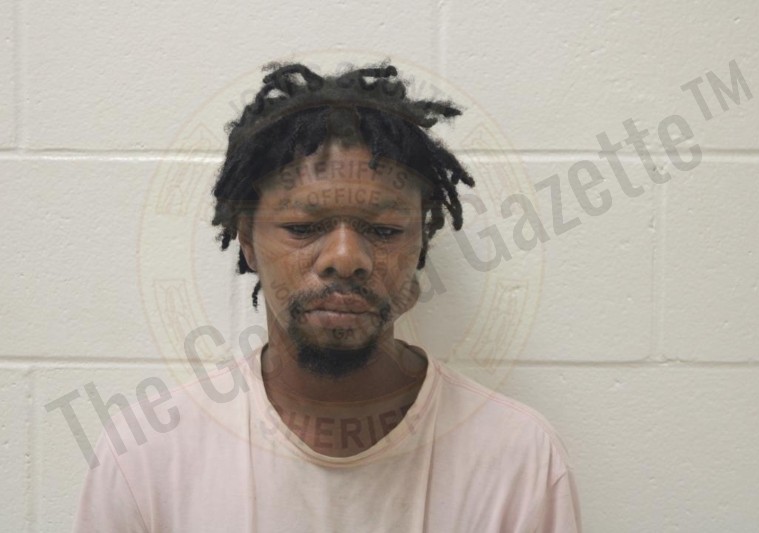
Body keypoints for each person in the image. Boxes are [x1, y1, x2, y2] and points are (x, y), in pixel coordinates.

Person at [73, 62, 581, 532]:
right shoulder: (147, 457)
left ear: (420, 244)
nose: (345, 257)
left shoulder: (518, 458)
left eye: (383, 230)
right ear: (247, 240)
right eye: (303, 226)